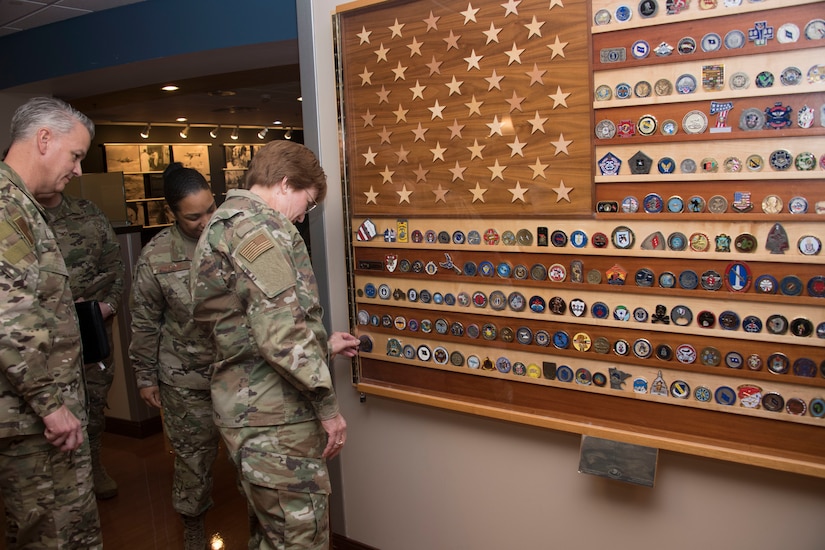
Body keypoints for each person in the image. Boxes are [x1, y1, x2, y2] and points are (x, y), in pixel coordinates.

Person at [190, 140, 360, 549]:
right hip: (274, 421)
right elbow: (280, 333)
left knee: (272, 536)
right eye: (309, 201)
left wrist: (321, 343)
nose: (305, 214)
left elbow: (247, 326)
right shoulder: (256, 231)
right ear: (285, 184)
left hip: (253, 413)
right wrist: (328, 406)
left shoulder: (227, 222)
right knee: (299, 539)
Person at [0, 96, 102, 547]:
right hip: (33, 422)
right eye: (76, 155)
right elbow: (11, 319)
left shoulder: (23, 206)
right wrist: (50, 404)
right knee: (51, 535)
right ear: (44, 139)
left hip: (45, 415)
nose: (78, 170)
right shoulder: (6, 208)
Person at [129, 163, 220, 550]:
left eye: (210, 210)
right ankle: (193, 526)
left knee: (252, 458)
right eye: (193, 216)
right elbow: (145, 320)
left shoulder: (232, 242)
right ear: (172, 214)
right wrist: (145, 377)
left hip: (238, 373)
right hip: (184, 380)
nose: (205, 222)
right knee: (193, 461)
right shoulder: (156, 256)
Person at [34, 189, 125, 500]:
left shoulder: (88, 213)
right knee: (47, 406)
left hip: (90, 325)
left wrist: (108, 307)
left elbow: (115, 266)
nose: (74, 170)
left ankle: (93, 465)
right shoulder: (20, 214)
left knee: (94, 398)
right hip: (41, 337)